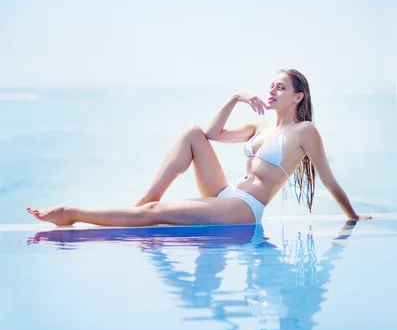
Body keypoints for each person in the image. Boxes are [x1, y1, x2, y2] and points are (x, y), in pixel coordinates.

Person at [27, 68, 372, 227]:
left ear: (298, 97)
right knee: (192, 132)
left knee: (155, 217)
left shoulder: (304, 131)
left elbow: (328, 179)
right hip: (226, 193)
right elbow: (210, 133)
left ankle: (71, 214)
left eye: (279, 88)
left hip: (245, 208)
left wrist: (352, 216)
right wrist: (235, 98)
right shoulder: (260, 126)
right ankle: (145, 201)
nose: (271, 92)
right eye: (270, 86)